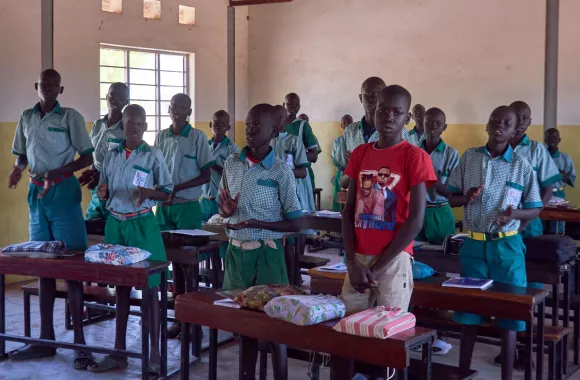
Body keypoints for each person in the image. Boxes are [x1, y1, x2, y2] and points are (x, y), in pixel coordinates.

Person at [447, 105, 543, 380]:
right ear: (487, 126)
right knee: (469, 313)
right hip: (475, 245)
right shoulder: (469, 158)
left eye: (507, 123)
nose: (500, 125)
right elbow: (451, 198)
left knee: (510, 316)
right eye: (495, 121)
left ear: (515, 131)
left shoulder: (521, 165)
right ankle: (463, 371)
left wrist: (516, 214)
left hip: (508, 246)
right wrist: (465, 198)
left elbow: (535, 208)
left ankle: (506, 376)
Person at [8, 69, 94, 367]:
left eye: (54, 85)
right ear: (37, 86)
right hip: (37, 195)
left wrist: (59, 171)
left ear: (61, 89)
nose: (49, 88)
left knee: (71, 266)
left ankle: (80, 343)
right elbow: (21, 153)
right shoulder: (26, 116)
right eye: (44, 84)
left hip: (62, 192)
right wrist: (19, 168)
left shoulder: (70, 117)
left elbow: (87, 158)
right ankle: (46, 340)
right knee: (42, 265)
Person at [91, 104, 173, 378]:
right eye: (130, 124)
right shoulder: (112, 155)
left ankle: (154, 356)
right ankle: (118, 352)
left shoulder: (153, 155)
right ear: (122, 126)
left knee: (150, 293)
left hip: (142, 225)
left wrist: (152, 192)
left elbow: (168, 193)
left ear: (146, 126)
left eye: (140, 124)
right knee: (122, 290)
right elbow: (104, 190)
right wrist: (102, 193)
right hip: (116, 225)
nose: (135, 128)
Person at [340, 85, 436, 315]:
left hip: (394, 260)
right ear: (374, 111)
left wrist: (379, 267)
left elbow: (416, 220)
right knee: (348, 329)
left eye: (397, 112)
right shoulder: (360, 153)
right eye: (382, 110)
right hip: (358, 259)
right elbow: (349, 210)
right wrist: (351, 262)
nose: (388, 117)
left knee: (389, 333)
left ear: (408, 117)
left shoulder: (415, 157)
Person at [218, 103, 303, 291]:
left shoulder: (280, 171)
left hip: (267, 254)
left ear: (273, 132)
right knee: (233, 313)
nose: (250, 130)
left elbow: (296, 224)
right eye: (247, 125)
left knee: (266, 315)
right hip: (235, 252)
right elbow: (221, 207)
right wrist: (225, 211)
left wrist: (259, 224)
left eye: (257, 126)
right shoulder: (232, 163)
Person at [155, 93, 215, 339]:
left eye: (183, 107)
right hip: (164, 207)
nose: (177, 110)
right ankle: (179, 318)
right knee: (167, 262)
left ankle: (194, 322)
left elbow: (206, 175)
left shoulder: (197, 137)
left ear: (189, 111)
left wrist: (177, 188)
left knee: (188, 264)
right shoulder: (161, 137)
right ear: (168, 109)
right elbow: (155, 168)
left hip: (187, 204)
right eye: (173, 106)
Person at [335, 77, 411, 189]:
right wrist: (354, 166)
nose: (372, 99)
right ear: (361, 98)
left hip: (390, 200)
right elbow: (343, 182)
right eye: (368, 94)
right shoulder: (349, 132)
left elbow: (406, 178)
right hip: (358, 198)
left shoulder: (401, 132)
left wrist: (362, 164)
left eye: (378, 95)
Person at [508, 101, 561, 238]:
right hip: (501, 218)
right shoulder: (498, 147)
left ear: (530, 122)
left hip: (530, 222)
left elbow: (547, 190)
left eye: (525, 118)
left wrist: (530, 217)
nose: (520, 121)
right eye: (516, 116)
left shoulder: (536, 149)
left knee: (531, 257)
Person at [80, 82, 129, 220]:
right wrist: (91, 172)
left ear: (126, 101)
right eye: (112, 95)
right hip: (97, 189)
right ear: (106, 97)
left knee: (113, 231)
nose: (115, 100)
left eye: (121, 97)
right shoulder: (98, 125)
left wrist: (103, 177)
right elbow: (93, 155)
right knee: (92, 229)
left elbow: (128, 163)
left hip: (117, 191)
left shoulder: (127, 129)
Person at [416, 107, 459, 244]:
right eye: (429, 123)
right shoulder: (414, 152)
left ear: (444, 127)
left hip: (440, 211)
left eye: (438, 123)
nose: (433, 126)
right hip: (416, 210)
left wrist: (434, 181)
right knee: (414, 254)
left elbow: (454, 194)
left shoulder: (451, 154)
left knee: (442, 257)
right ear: (423, 124)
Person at [272, 105, 316, 212]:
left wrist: (281, 173)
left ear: (287, 120)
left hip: (293, 188)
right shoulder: (267, 141)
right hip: (272, 191)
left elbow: (303, 172)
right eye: (273, 117)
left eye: (280, 117)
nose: (276, 120)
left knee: (296, 220)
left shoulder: (294, 141)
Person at [201, 110, 239, 222]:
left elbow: (233, 175)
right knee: (202, 229)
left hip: (222, 200)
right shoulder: (203, 145)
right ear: (210, 125)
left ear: (228, 128)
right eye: (215, 124)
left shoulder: (232, 148)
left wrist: (212, 164)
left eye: (222, 125)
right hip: (204, 198)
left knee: (220, 229)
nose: (218, 127)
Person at [284, 93, 321, 189]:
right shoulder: (277, 125)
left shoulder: (303, 125)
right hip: (282, 175)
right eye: (289, 103)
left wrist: (293, 156)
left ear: (299, 107)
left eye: (296, 104)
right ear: (284, 105)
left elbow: (314, 156)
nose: (293, 105)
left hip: (299, 177)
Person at [544, 128, 576, 233]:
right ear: (545, 140)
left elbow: (572, 180)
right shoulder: (541, 156)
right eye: (549, 137)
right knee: (541, 221)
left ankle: (557, 246)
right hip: (542, 193)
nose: (552, 140)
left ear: (559, 140)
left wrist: (563, 176)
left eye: (555, 138)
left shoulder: (565, 158)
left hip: (559, 194)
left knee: (557, 224)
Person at [332, 114, 354, 211]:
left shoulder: (355, 139)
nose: (346, 124)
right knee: (339, 200)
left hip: (354, 173)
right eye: (344, 123)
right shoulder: (338, 140)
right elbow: (334, 158)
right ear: (341, 125)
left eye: (349, 122)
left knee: (351, 200)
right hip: (341, 173)